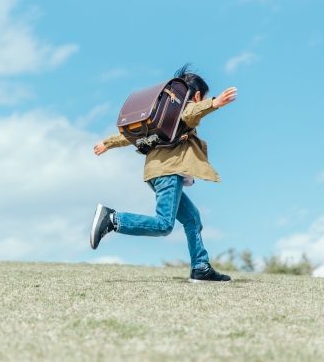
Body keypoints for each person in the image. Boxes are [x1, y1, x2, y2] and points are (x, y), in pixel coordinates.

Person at [90, 64, 237, 283]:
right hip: (168, 172)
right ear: (197, 96)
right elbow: (191, 112)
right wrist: (214, 103)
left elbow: (131, 134)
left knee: (192, 219)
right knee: (163, 225)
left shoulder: (163, 115)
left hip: (156, 172)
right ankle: (112, 219)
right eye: (203, 98)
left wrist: (107, 143)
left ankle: (200, 268)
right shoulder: (183, 110)